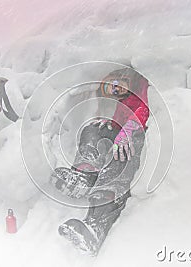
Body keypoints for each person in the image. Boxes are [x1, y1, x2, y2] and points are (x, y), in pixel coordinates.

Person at [51, 67, 150, 256]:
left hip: (137, 136)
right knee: (93, 128)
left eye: (122, 81)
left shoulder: (144, 84)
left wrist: (129, 129)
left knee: (123, 150)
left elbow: (145, 109)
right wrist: (110, 126)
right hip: (121, 132)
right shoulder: (126, 95)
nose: (118, 87)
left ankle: (98, 223)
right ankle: (83, 174)